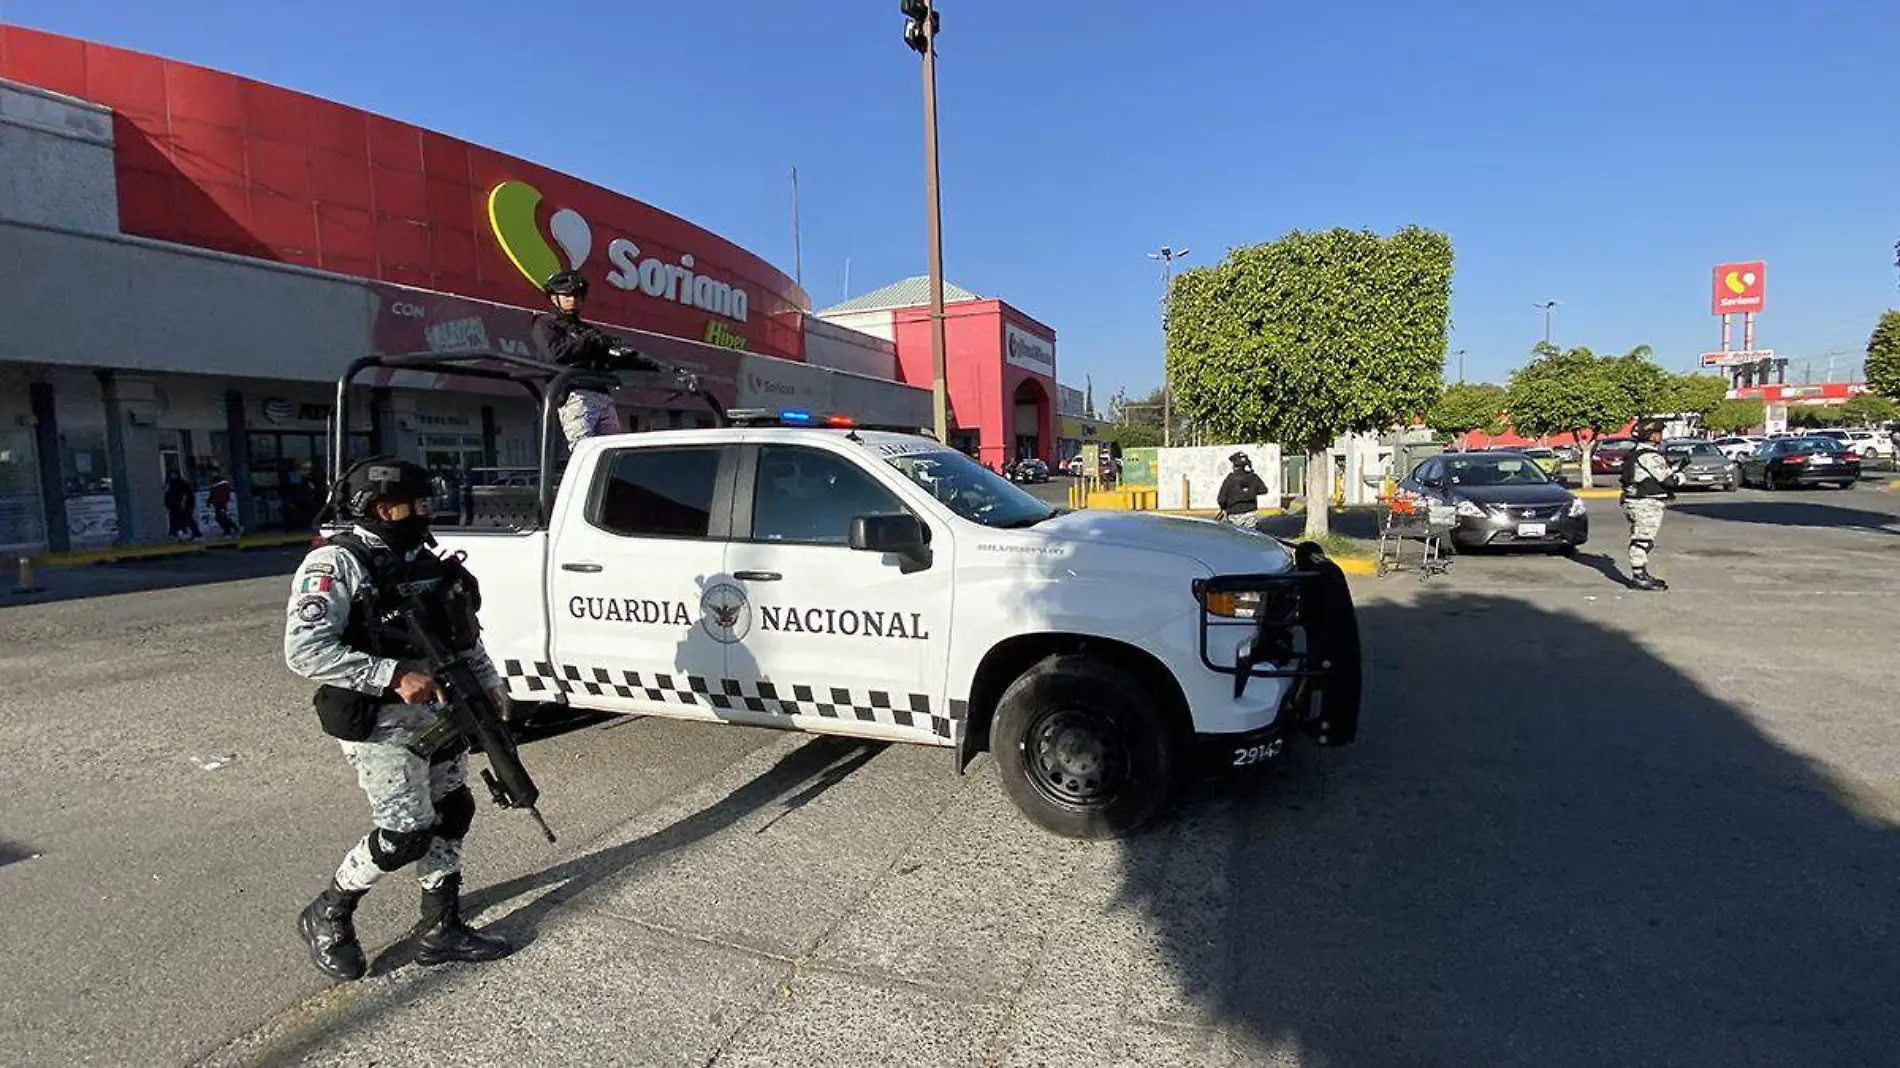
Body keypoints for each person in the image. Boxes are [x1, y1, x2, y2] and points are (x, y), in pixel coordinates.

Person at [285, 457, 512, 981]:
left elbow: (463, 637)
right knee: (405, 832)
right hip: (379, 720)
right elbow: (304, 650)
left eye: (426, 503)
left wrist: (492, 684)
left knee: (453, 809)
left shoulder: (428, 561)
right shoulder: (336, 565)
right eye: (411, 505)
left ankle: (441, 927)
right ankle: (330, 911)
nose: (422, 514)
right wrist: (391, 674)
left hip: (441, 714)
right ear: (377, 508)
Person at [530, 269, 662, 447]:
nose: (573, 300)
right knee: (583, 449)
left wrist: (649, 364)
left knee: (612, 450)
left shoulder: (588, 330)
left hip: (601, 394)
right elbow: (556, 353)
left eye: (577, 295)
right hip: (575, 394)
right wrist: (592, 342)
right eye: (567, 295)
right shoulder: (546, 324)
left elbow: (612, 357)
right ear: (554, 298)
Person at [1619, 420, 1683, 591]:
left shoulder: (1636, 453)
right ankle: (1639, 577)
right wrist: (1680, 474)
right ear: (1651, 435)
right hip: (1645, 503)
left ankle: (1642, 573)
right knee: (1642, 540)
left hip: (1637, 501)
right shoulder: (1648, 455)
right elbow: (1669, 481)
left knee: (1642, 538)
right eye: (1658, 432)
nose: (1660, 436)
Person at [1216, 451, 1269, 531]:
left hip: (1234, 514)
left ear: (1234, 465)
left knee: (1236, 537)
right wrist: (1250, 491)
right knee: (1251, 536)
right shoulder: (1253, 477)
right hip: (1251, 513)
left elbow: (1221, 499)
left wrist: (1223, 508)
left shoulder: (1230, 479)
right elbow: (1264, 490)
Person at [163, 473, 201, 541]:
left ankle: (195, 534)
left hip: (181, 506)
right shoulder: (171, 484)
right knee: (175, 519)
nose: (173, 476)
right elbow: (169, 496)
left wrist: (183, 503)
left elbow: (186, 494)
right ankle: (175, 533)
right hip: (175, 506)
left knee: (187, 519)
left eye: (174, 474)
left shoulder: (180, 483)